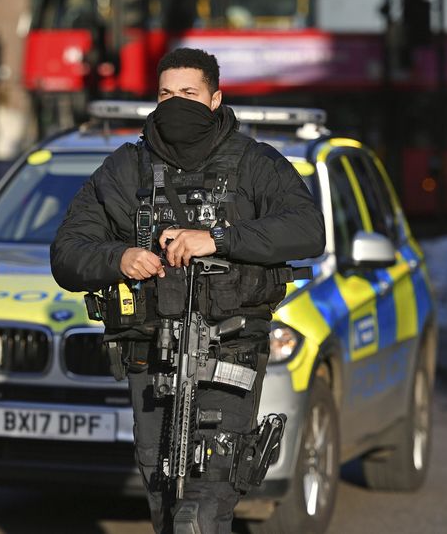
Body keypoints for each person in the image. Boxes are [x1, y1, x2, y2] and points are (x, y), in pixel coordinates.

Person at [50, 48, 325, 532]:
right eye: (166, 94)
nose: (176, 103)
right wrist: (119, 258)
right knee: (165, 502)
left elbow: (307, 229)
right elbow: (67, 252)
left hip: (230, 350)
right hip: (150, 353)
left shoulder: (255, 164)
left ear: (215, 99)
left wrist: (217, 239)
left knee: (204, 501)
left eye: (189, 94)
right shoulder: (125, 170)